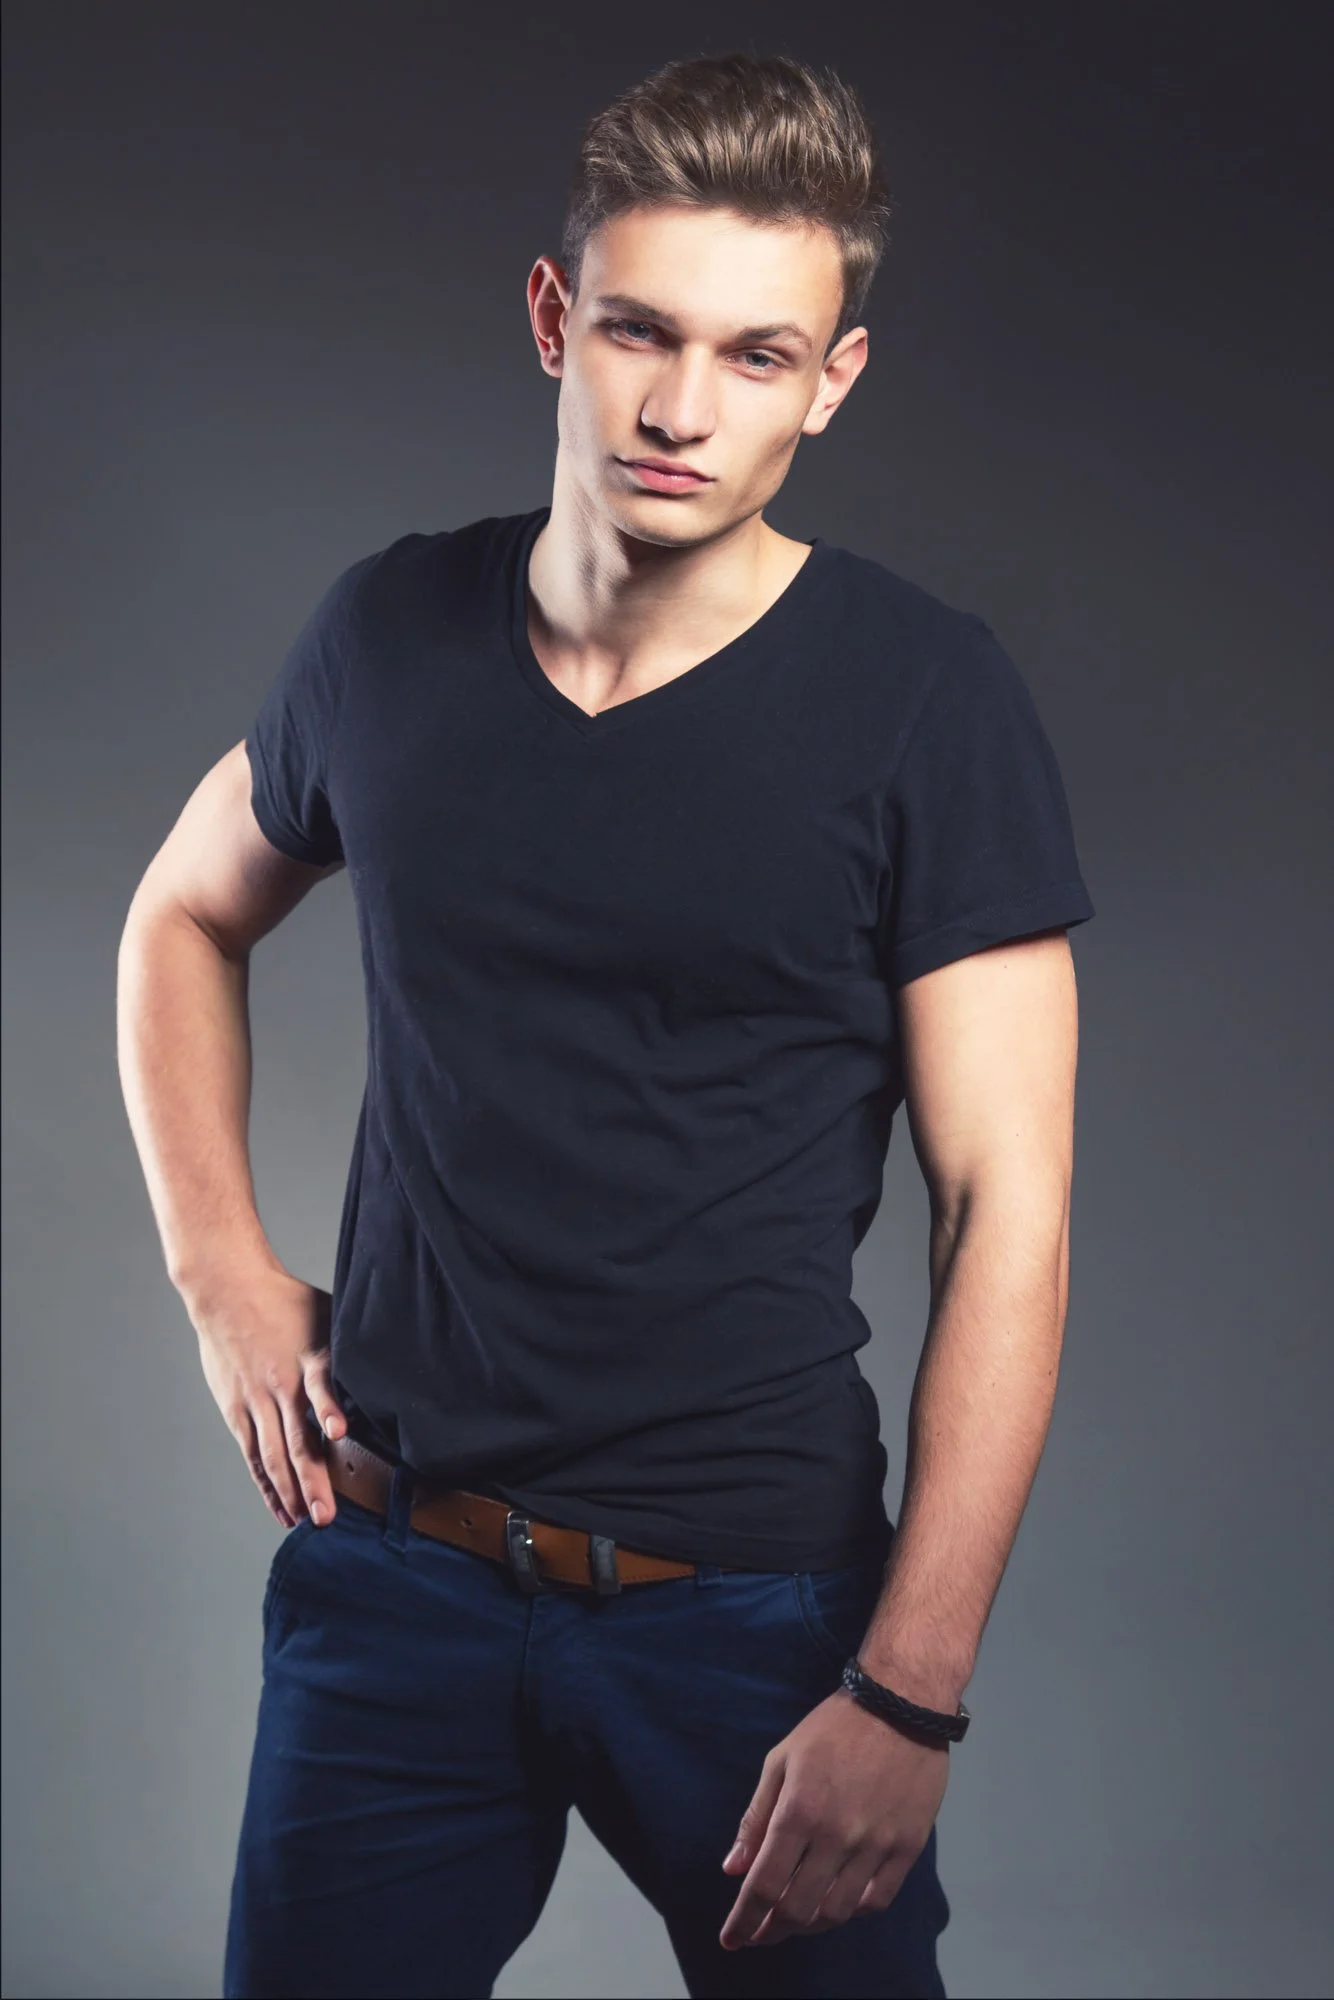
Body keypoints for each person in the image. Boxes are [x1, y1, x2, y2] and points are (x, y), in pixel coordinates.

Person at [117, 49, 1094, 2000]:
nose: (677, 407)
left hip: (754, 1609)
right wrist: (221, 1268)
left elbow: (1010, 1215)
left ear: (833, 382)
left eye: (754, 356)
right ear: (554, 317)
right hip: (393, 1575)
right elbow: (179, 911)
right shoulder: (387, 633)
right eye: (640, 332)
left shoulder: (922, 702)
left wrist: (908, 1695)